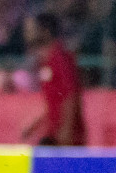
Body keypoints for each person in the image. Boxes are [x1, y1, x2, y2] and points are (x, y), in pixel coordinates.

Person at [18, 12, 85, 146]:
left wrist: (67, 130)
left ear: (45, 31)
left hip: (66, 136)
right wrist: (34, 125)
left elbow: (70, 95)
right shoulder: (46, 61)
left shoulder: (60, 58)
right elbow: (53, 102)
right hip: (53, 133)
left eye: (34, 28)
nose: (29, 32)